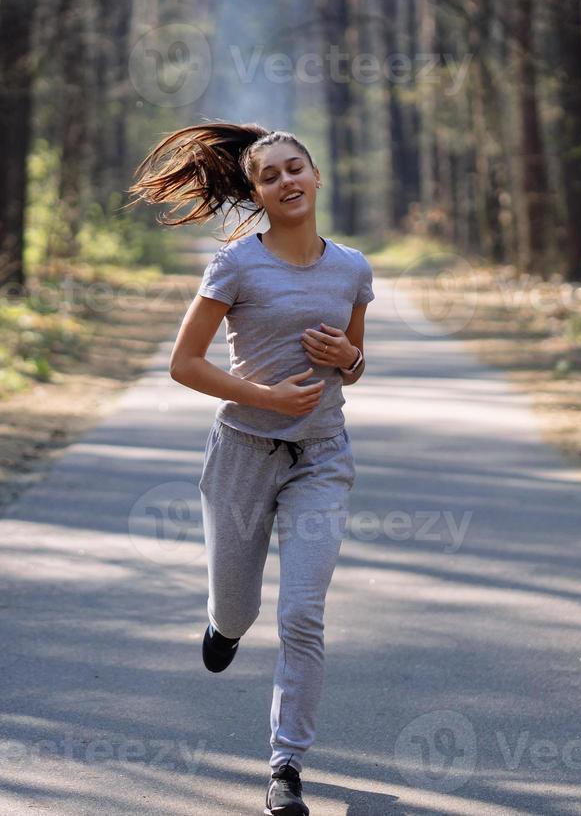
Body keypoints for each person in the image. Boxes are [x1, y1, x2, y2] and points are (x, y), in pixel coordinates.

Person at [126, 121, 373, 816]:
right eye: (270, 176)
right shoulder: (237, 265)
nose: (287, 181)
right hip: (241, 454)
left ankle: (285, 765)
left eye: (296, 168)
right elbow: (185, 364)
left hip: (321, 457)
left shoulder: (352, 268)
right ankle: (224, 625)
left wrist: (345, 361)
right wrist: (264, 395)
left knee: (302, 614)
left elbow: (354, 365)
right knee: (239, 607)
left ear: (316, 177)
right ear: (257, 193)